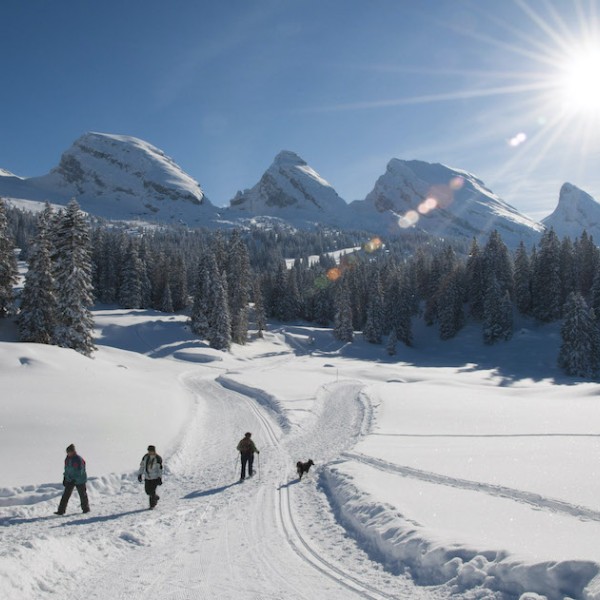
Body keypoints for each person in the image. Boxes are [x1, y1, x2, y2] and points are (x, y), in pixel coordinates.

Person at [55, 444, 89, 515]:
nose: (68, 453)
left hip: (80, 480)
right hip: (70, 480)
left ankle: (86, 509)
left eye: (69, 452)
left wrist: (75, 479)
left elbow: (80, 471)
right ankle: (61, 511)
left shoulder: (78, 459)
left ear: (73, 452)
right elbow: (67, 470)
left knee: (82, 495)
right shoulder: (67, 459)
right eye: (67, 452)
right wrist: (65, 478)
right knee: (65, 496)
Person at [137, 445, 163, 509]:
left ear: (154, 451)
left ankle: (152, 505)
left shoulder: (158, 458)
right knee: (147, 491)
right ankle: (155, 497)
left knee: (152, 491)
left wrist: (159, 477)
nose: (150, 452)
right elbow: (142, 466)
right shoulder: (145, 457)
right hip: (147, 477)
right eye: (149, 451)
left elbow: (160, 469)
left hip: (155, 478)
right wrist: (140, 474)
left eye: (151, 451)